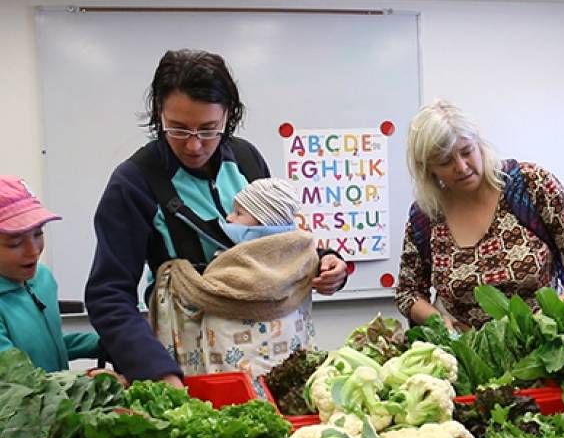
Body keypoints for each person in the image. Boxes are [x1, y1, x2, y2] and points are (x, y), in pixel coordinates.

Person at [86, 49, 347, 387]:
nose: (194, 146)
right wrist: (158, 372)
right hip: (186, 361)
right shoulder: (133, 184)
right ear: (158, 114)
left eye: (208, 129)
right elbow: (108, 296)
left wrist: (327, 264)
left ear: (229, 115)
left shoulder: (246, 159)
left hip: (271, 354)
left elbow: (277, 241)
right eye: (177, 129)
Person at [395, 99, 564, 330]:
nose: (462, 167)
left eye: (467, 152)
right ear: (428, 168)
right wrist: (440, 323)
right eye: (445, 161)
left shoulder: (531, 185)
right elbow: (409, 292)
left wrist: (562, 310)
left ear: (478, 142)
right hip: (470, 355)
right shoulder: (426, 216)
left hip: (548, 346)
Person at [150, 177, 317, 381]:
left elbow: (210, 291)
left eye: (239, 213)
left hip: (235, 367)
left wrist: (180, 274)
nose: (229, 218)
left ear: (264, 222)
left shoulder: (237, 262)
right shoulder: (303, 259)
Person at [0, 176, 105, 371]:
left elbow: (48, 347)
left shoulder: (42, 279)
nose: (33, 251)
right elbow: (13, 380)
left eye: (38, 234)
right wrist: (88, 383)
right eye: (15, 243)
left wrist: (103, 344)